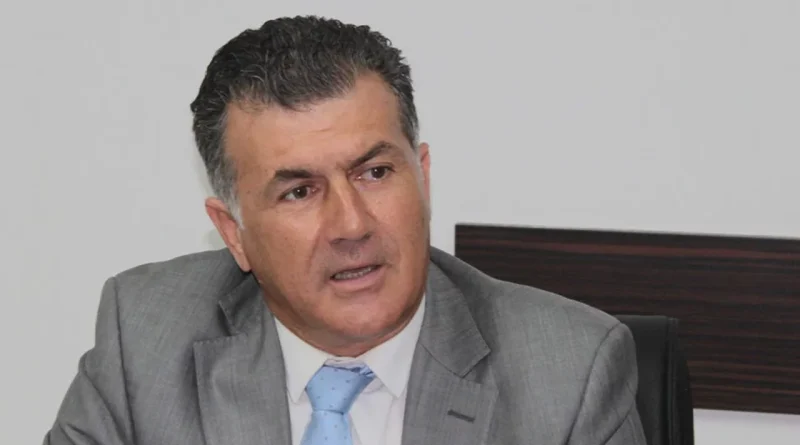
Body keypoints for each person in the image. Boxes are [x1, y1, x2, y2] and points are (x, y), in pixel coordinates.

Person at [44, 15, 646, 445]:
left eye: (375, 172)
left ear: (423, 176)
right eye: (299, 191)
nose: (351, 224)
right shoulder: (145, 336)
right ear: (233, 233)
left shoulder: (569, 376)